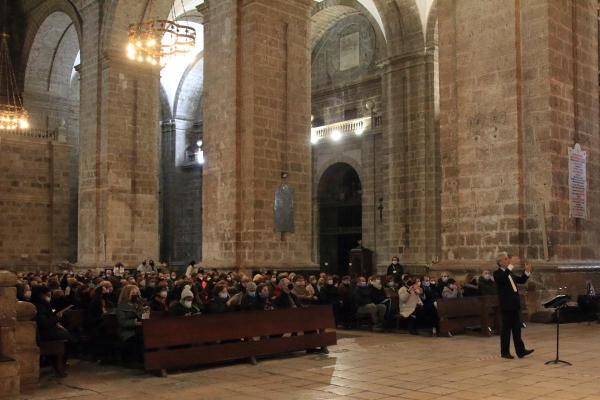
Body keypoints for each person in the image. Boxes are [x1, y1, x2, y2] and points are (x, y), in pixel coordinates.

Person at [494, 252, 534, 359]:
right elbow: (502, 278)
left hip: (515, 304)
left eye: (508, 259)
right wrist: (512, 264)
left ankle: (520, 351)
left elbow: (521, 280)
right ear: (500, 262)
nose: (508, 261)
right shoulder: (497, 273)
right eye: (506, 259)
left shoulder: (510, 273)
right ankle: (505, 352)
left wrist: (527, 271)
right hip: (506, 305)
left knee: (517, 329)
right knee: (506, 329)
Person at [115, 284, 146, 362]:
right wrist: (135, 323)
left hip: (140, 329)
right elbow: (123, 322)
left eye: (136, 294)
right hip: (128, 332)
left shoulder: (139, 305)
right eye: (133, 294)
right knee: (138, 339)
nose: (135, 296)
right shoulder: (121, 307)